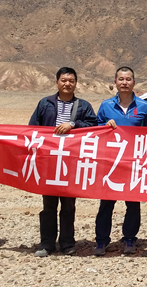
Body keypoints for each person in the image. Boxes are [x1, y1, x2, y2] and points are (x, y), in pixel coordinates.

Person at [29, 67, 97, 257]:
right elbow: (33, 128)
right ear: (57, 82)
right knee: (49, 205)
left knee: (68, 205)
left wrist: (73, 125)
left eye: (71, 81)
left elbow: (93, 126)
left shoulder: (83, 106)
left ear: (76, 83)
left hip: (71, 162)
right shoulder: (45, 103)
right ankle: (47, 243)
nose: (67, 84)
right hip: (49, 162)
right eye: (64, 80)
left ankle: (67, 243)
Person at [94, 66, 147, 256]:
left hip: (133, 163)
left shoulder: (144, 106)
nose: (124, 82)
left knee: (133, 203)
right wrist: (105, 126)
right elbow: (95, 131)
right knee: (106, 204)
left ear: (134, 82)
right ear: (115, 82)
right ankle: (101, 241)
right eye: (121, 79)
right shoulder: (106, 106)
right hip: (110, 163)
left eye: (128, 79)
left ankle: (129, 239)